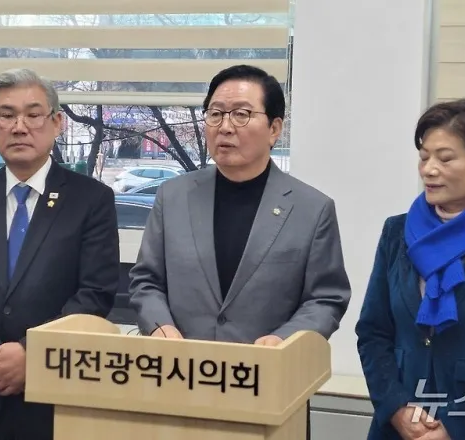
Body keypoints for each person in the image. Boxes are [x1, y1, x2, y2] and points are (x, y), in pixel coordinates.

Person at [128, 64, 352, 437]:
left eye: (242, 114)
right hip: (180, 384)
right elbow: (146, 280)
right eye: (216, 114)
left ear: (275, 129)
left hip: (270, 391)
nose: (225, 127)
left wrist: (284, 340)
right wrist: (159, 326)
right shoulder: (173, 196)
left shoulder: (312, 208)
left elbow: (326, 298)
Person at [0, 68, 120, 440]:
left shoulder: (91, 200)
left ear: (57, 122)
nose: (19, 127)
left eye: (33, 115)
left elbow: (95, 293)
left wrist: (31, 354)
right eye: (6, 115)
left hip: (56, 399)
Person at [356, 98, 465, 440]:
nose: (429, 169)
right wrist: (396, 408)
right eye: (424, 157)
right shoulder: (397, 232)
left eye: (445, 158)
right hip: (400, 426)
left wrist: (455, 425)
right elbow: (373, 332)